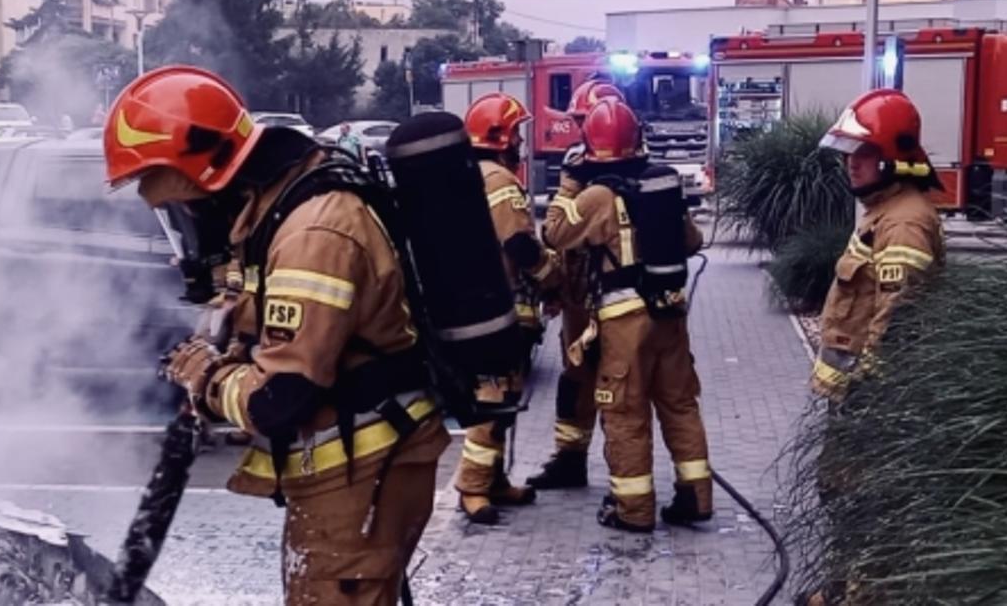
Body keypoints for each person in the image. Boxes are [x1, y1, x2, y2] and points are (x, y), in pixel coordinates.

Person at [108, 66, 446, 604]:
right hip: (354, 469)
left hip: (363, 474)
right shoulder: (276, 202)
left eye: (178, 209)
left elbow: (278, 398)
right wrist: (230, 320)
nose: (182, 228)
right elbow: (272, 311)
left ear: (209, 176)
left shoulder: (313, 232)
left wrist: (209, 378)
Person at [542, 98, 713, 533]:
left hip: (624, 321)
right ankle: (695, 498)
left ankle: (632, 510)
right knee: (678, 404)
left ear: (590, 146)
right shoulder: (663, 184)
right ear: (638, 141)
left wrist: (567, 188)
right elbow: (692, 241)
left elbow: (555, 233)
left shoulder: (598, 196)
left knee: (625, 412)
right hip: (670, 311)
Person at [449, 92, 561, 523]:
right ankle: (472, 488)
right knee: (494, 395)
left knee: (505, 395)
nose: (521, 143)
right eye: (517, 133)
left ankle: (493, 480)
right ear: (504, 137)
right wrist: (553, 278)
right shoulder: (498, 180)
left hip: (473, 301)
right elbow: (518, 244)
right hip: (493, 306)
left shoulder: (463, 173)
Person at [809, 89, 946, 401]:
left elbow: (898, 313)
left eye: (864, 154)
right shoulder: (884, 212)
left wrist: (870, 386)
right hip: (853, 393)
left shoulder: (902, 225)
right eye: (847, 154)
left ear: (891, 158)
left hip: (869, 396)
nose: (851, 164)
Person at [526, 77, 627, 491]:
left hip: (611, 294)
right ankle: (570, 459)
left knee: (616, 387)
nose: (583, 129)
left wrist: (570, 182)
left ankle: (624, 479)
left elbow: (557, 230)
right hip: (581, 292)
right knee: (575, 379)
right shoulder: (604, 163)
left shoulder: (600, 171)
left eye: (586, 120)